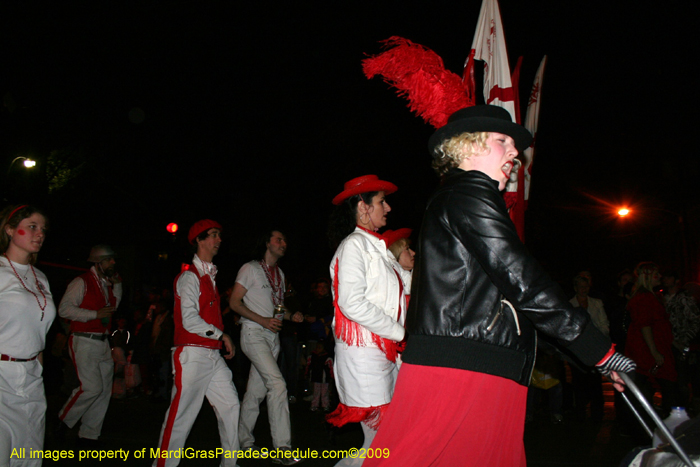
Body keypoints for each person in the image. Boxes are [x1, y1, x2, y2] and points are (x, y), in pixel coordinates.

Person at [364, 105, 634, 467]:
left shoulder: (464, 197)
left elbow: (516, 299)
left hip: (480, 363)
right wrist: (598, 350)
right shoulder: (468, 196)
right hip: (463, 368)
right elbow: (522, 278)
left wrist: (593, 358)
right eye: (502, 141)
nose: (514, 153)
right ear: (467, 147)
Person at [326, 175, 407, 466]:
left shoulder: (377, 248)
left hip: (383, 352)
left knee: (384, 442)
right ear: (362, 207)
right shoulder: (354, 246)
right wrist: (400, 332)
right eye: (381, 202)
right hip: (364, 356)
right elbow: (351, 303)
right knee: (381, 443)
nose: (387, 208)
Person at [153, 219, 239, 467]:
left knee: (231, 406)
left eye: (218, 235)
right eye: (213, 235)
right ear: (199, 241)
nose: (218, 240)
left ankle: (230, 464)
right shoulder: (189, 277)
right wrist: (221, 334)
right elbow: (190, 320)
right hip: (191, 354)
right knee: (181, 416)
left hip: (211, 355)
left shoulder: (208, 276)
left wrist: (219, 338)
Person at [229, 229, 304, 465]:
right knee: (278, 384)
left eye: (285, 240)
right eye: (279, 240)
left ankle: (244, 442)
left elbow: (277, 309)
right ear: (267, 243)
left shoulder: (279, 274)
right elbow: (233, 302)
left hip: (273, 337)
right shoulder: (250, 268)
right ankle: (283, 448)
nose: (283, 244)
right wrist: (261, 320)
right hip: (253, 333)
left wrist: (291, 316)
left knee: (255, 392)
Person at [0, 205, 56, 467]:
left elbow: (38, 331)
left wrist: (38, 369)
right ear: (10, 230)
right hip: (2, 376)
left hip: (32, 378)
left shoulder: (41, 278)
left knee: (30, 456)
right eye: (32, 226)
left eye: (43, 228)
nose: (40, 233)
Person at [57, 244, 122, 445]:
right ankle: (62, 421)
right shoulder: (81, 282)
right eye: (109, 259)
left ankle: (89, 435)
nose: (113, 262)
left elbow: (113, 308)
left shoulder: (106, 284)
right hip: (84, 340)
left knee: (102, 391)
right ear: (98, 262)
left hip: (101, 341)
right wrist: (93, 315)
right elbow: (64, 309)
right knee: (92, 388)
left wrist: (118, 286)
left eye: (113, 259)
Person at [625, 262, 678, 413]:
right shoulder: (644, 298)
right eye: (656, 274)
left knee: (651, 385)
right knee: (666, 385)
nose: (660, 277)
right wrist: (654, 351)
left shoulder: (650, 296)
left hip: (654, 347)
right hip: (649, 350)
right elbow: (645, 326)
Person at [569, 275, 608, 421]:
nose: (584, 289)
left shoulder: (596, 303)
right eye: (581, 286)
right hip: (577, 350)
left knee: (595, 382)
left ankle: (597, 413)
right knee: (579, 382)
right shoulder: (570, 304)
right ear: (575, 288)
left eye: (586, 286)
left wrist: (598, 337)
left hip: (594, 348)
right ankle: (580, 413)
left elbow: (604, 324)